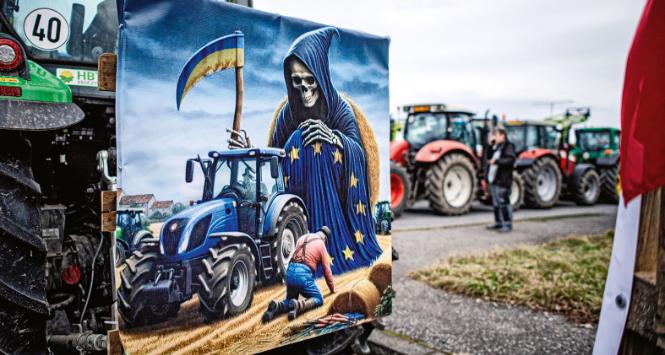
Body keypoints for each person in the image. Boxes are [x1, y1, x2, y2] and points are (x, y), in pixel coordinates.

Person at [269, 27, 382, 274]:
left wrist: (333, 138)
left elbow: (358, 153)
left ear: (320, 77)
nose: (304, 91)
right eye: (297, 82)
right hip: (299, 197)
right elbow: (273, 155)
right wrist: (248, 151)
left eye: (310, 81)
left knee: (318, 145)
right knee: (300, 139)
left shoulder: (339, 108)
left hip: (336, 195)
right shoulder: (290, 112)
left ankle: (328, 240)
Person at [262, 226, 336, 323]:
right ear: (325, 238)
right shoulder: (321, 244)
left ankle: (277, 306)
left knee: (290, 300)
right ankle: (299, 305)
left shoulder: (302, 238)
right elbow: (327, 270)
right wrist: (332, 289)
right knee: (318, 298)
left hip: (290, 271)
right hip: (303, 274)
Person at [486, 126, 516, 232]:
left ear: (503, 135)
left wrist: (497, 161)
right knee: (496, 203)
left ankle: (507, 224)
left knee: (503, 202)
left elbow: (510, 160)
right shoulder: (496, 147)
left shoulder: (508, 146)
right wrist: (490, 145)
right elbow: (488, 158)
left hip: (503, 180)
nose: (495, 137)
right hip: (494, 179)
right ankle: (498, 222)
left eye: (496, 135)